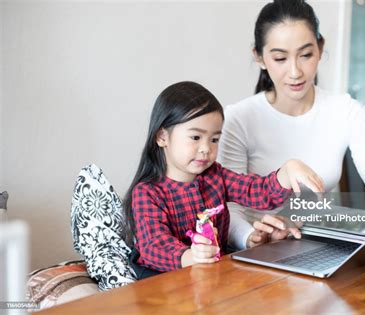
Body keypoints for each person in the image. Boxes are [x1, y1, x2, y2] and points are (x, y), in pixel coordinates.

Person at [217, 0, 365, 250]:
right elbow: (227, 208)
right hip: (259, 253)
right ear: (260, 57)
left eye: (306, 55)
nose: (295, 71)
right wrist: (250, 238)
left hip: (319, 245)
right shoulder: (236, 119)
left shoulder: (347, 111)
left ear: (320, 48)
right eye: (280, 58)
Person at [122, 81, 324, 278]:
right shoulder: (148, 192)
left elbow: (257, 191)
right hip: (164, 279)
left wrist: (287, 172)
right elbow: (154, 245)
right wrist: (188, 256)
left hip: (210, 273)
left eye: (214, 139)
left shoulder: (215, 176)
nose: (206, 148)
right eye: (195, 137)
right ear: (162, 137)